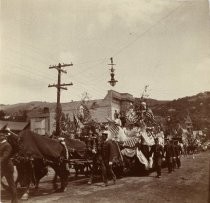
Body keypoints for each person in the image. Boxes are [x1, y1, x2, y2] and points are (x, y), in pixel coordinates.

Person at [0, 132, 18, 203]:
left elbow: (5, 156)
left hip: (7, 167)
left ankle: (15, 200)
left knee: (11, 184)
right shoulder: (1, 144)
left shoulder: (7, 145)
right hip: (2, 167)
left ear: (3, 138)